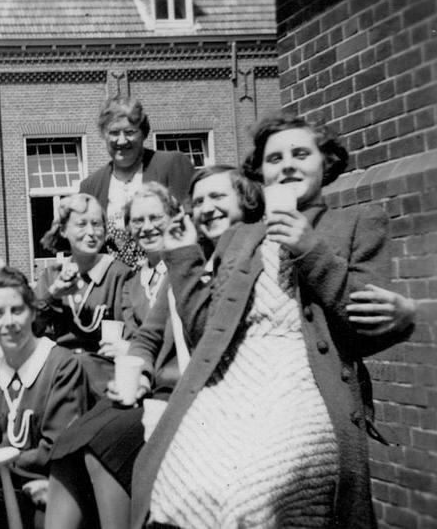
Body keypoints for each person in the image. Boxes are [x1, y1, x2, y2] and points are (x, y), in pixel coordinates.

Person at [130, 112, 412, 529]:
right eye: (275, 158)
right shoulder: (240, 237)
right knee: (179, 485)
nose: (288, 165)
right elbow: (207, 333)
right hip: (231, 385)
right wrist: (184, 257)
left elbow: (364, 333)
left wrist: (309, 248)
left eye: (301, 154)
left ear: (326, 163)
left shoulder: (359, 223)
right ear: (261, 172)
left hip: (304, 385)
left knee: (249, 494)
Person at [44, 182, 183, 529]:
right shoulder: (136, 281)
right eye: (138, 220)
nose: (147, 227)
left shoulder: (184, 270)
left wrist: (130, 351)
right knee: (66, 446)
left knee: (100, 449)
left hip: (169, 388)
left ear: (174, 218)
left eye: (155, 217)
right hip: (137, 384)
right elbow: (138, 337)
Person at [0, 266, 90, 527]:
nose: (9, 322)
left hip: (58, 492)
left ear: (33, 312)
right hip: (10, 491)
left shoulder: (61, 366)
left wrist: (0, 465)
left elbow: (59, 448)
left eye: (17, 310)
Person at [34, 193, 131, 398]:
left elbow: (129, 334)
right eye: (81, 224)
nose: (91, 232)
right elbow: (32, 329)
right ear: (63, 230)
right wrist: (52, 295)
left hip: (101, 377)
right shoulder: (51, 275)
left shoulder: (118, 274)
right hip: (58, 374)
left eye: (97, 224)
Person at [79, 95, 195, 267]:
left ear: (143, 133)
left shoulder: (171, 165)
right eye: (114, 133)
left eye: (130, 132)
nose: (121, 140)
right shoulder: (91, 185)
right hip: (115, 279)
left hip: (169, 271)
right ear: (104, 135)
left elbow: (194, 222)